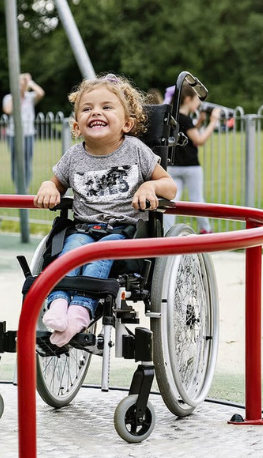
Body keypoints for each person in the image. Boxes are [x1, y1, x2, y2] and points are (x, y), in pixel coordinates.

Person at [34, 74, 176, 347]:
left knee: (101, 252)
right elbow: (56, 183)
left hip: (124, 231)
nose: (96, 112)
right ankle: (59, 302)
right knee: (72, 249)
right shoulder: (74, 156)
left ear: (127, 123)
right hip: (84, 227)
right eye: (87, 109)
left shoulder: (136, 150)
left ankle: (81, 310)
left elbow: (169, 186)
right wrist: (48, 186)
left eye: (106, 107)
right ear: (77, 126)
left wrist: (150, 186)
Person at [165, 85, 220, 234]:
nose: (199, 104)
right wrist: (213, 122)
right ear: (188, 100)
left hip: (173, 166)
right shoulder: (186, 119)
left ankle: (167, 233)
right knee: (197, 199)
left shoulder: (171, 117)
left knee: (171, 201)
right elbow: (199, 140)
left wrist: (198, 124)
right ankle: (206, 230)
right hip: (190, 166)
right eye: (197, 100)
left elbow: (184, 134)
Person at [2, 72, 44, 188]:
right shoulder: (9, 97)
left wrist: (30, 82)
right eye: (19, 83)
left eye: (23, 83)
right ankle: (17, 186)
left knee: (27, 161)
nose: (22, 85)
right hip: (13, 134)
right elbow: (8, 110)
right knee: (15, 161)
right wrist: (17, 94)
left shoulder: (30, 97)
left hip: (28, 133)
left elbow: (41, 93)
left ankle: (25, 186)